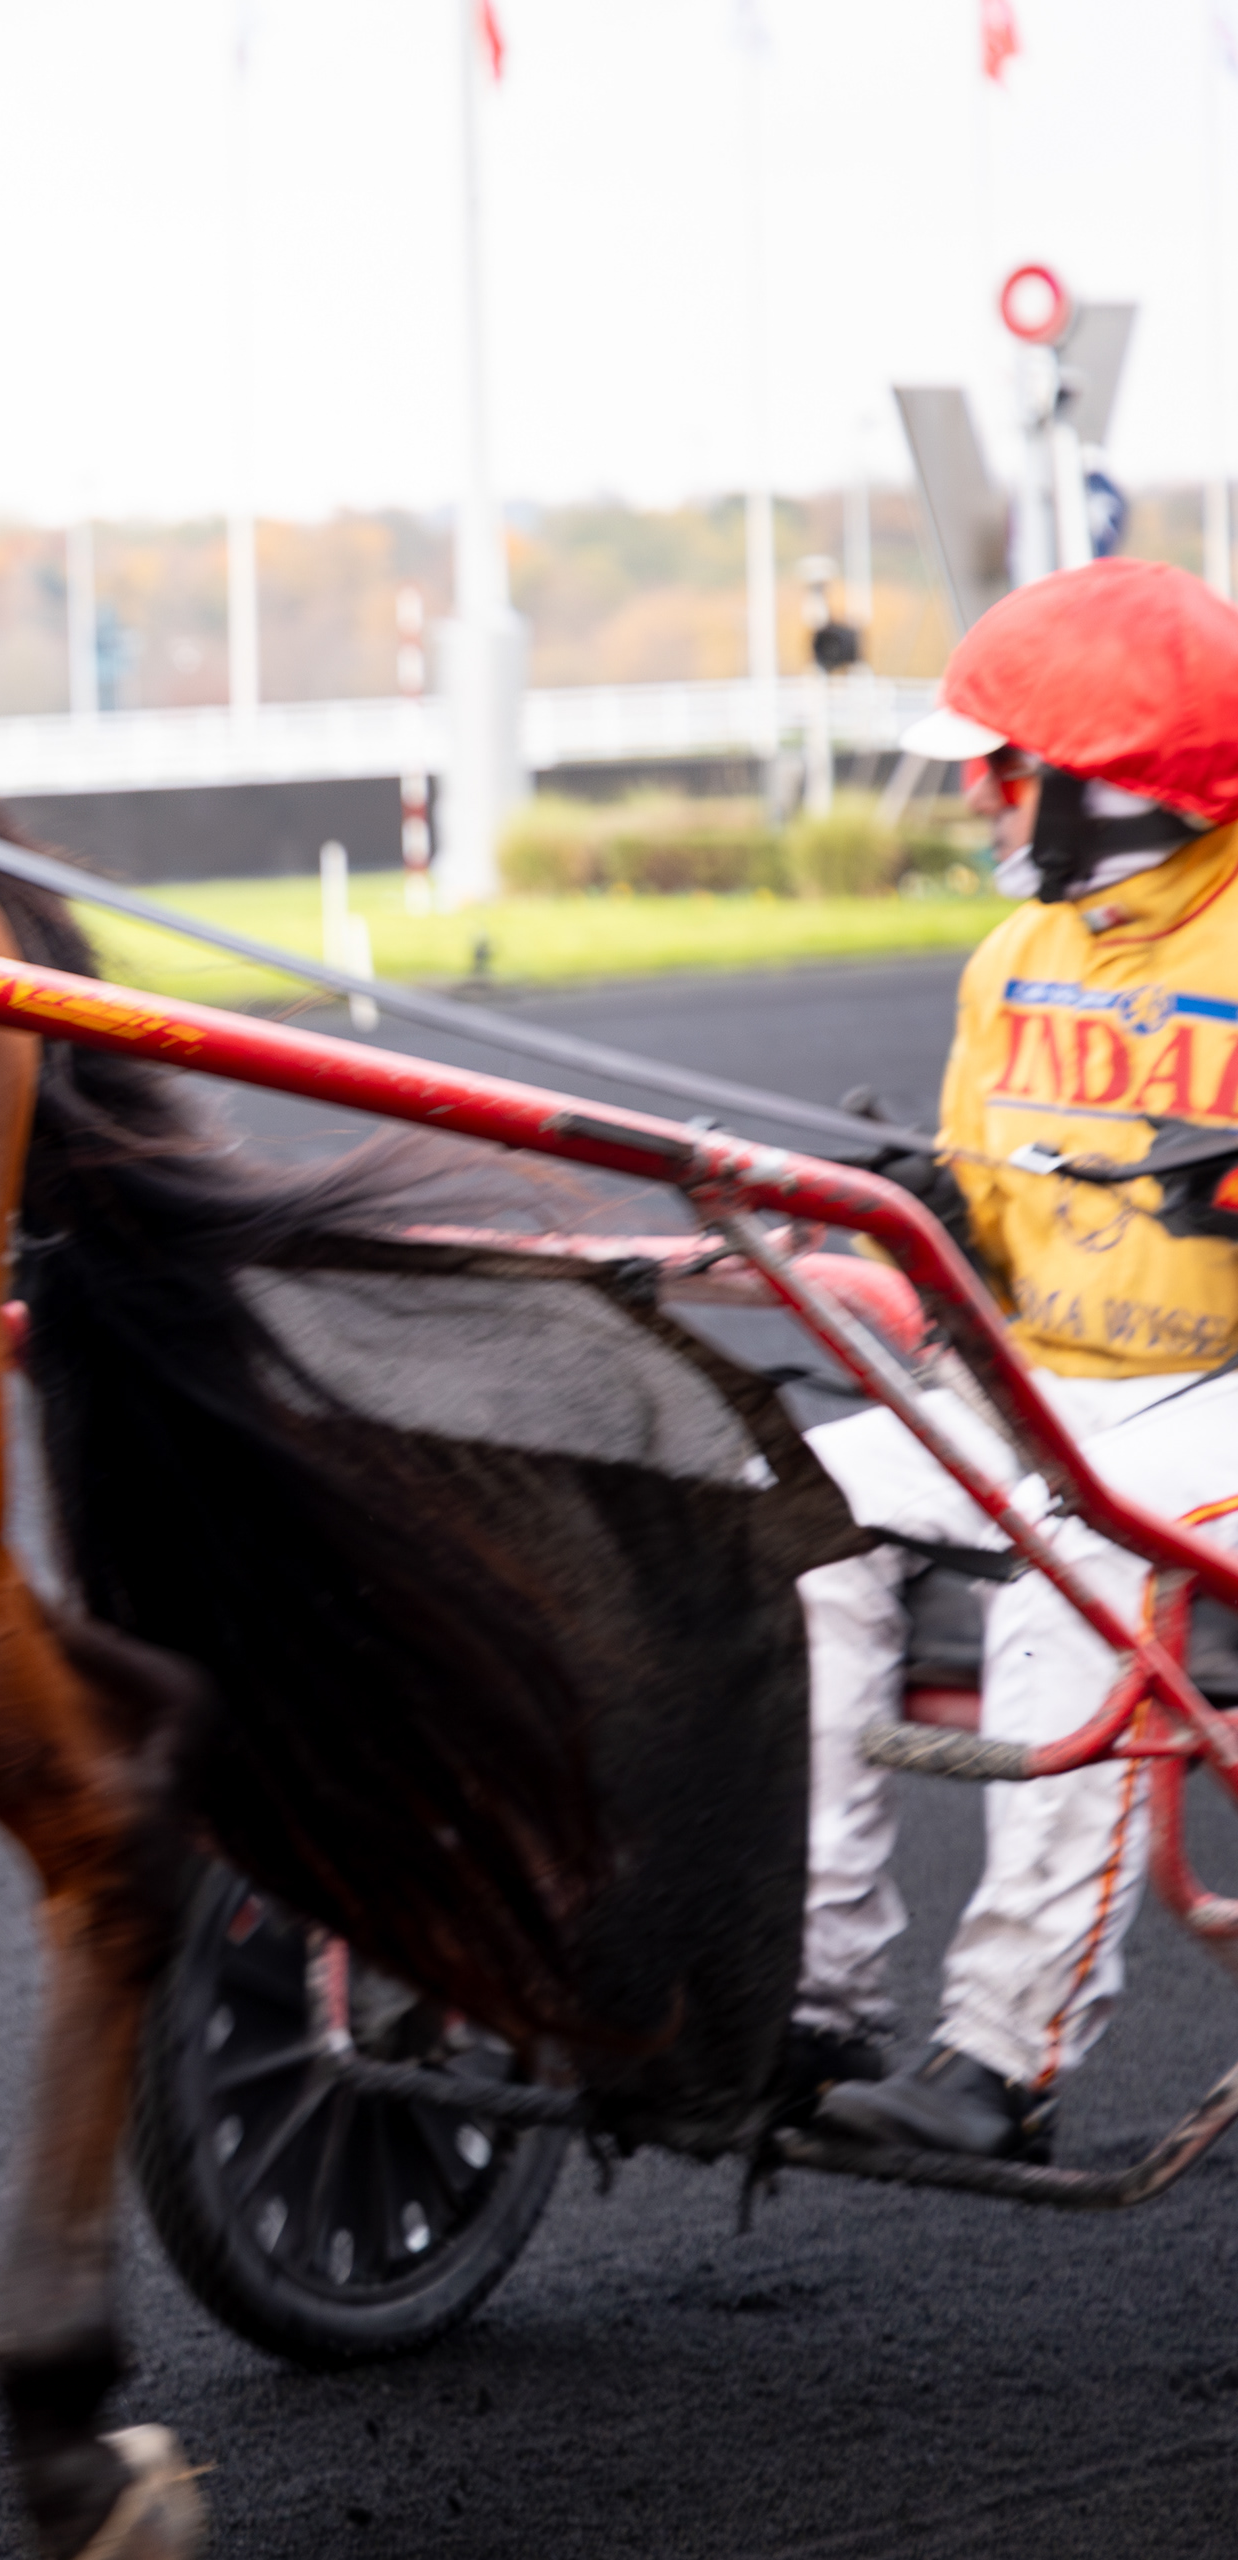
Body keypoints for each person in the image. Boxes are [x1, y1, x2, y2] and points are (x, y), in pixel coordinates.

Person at [790, 555, 1238, 2162]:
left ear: (1110, 789)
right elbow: (987, 1231)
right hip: (1046, 1391)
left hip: (1215, 1413)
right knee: (790, 1516)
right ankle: (811, 2000)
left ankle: (1002, 2061)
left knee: (1079, 1553)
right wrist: (933, 1216)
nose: (980, 795)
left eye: (1002, 765)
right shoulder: (1009, 964)